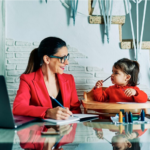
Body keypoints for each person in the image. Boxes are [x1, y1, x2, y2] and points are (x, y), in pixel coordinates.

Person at [13, 37, 81, 120]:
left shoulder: (69, 79)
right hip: (39, 131)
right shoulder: (27, 80)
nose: (67, 62)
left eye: (67, 57)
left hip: (65, 131)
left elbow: (76, 110)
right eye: (62, 58)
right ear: (47, 59)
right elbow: (18, 108)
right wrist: (48, 112)